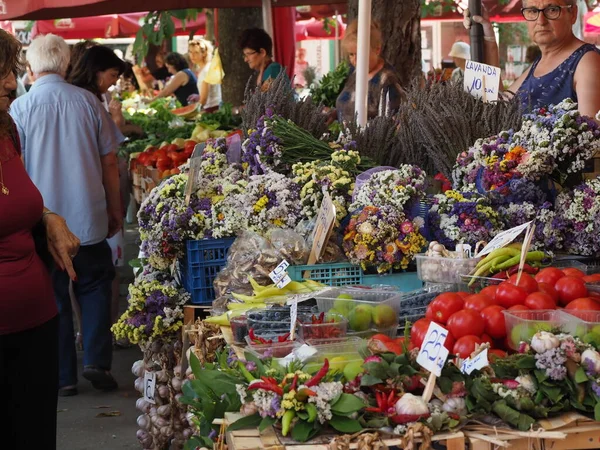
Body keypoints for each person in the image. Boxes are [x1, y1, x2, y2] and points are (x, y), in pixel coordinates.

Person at [10, 33, 124, 397]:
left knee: (54, 298)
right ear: (66, 64)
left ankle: (64, 376)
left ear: (31, 67)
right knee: (94, 288)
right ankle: (97, 361)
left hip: (42, 222)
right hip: (88, 215)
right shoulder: (89, 102)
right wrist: (115, 207)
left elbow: (17, 167)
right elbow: (110, 160)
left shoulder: (19, 110)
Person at [0, 29, 80, 449]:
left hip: (34, 322)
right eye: (0, 76)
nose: (12, 83)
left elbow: (20, 198)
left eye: (11, 72)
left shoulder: (8, 130)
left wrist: (47, 216)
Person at [465, 0, 600, 116]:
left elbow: (591, 135)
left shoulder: (587, 61)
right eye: (532, 11)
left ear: (573, 14)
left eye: (552, 9)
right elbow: (499, 106)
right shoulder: (540, 63)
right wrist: (487, 36)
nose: (541, 21)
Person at [335, 20, 405, 124]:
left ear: (377, 49)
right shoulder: (353, 72)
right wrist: (334, 114)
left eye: (360, 53)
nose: (355, 60)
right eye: (351, 54)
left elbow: (393, 123)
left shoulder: (387, 80)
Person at [188, 38, 222, 112]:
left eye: (196, 52)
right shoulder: (208, 67)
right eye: (190, 52)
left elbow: (203, 100)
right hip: (212, 107)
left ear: (204, 53)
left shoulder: (206, 71)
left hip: (211, 109)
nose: (192, 55)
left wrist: (191, 112)